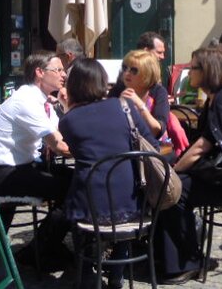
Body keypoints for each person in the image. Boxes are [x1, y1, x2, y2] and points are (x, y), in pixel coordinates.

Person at [159, 48, 222, 283]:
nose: (188, 72)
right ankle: (168, 254)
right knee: (176, 185)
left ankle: (186, 262)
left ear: (207, 71)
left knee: (173, 190)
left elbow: (202, 146)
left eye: (193, 67)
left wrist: (174, 172)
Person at [59, 58, 157, 289]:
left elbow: (75, 150)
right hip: (135, 207)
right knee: (121, 192)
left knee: (78, 196)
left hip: (91, 210)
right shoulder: (125, 107)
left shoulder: (69, 120)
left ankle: (85, 271)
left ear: (73, 86)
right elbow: (152, 143)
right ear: (104, 81)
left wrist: (66, 109)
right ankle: (116, 273)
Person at [0, 51, 71, 221]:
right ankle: (45, 244)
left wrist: (66, 106)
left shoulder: (41, 101)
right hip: (4, 173)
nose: (64, 74)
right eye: (58, 70)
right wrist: (92, 153)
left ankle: (48, 243)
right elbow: (59, 145)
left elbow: (61, 133)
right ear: (40, 72)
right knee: (75, 186)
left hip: (25, 166)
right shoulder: (26, 101)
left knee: (78, 178)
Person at [117, 49, 169, 140]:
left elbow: (157, 130)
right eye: (125, 68)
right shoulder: (118, 90)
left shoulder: (158, 92)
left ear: (147, 74)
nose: (127, 73)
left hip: (153, 147)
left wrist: (139, 104)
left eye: (134, 70)